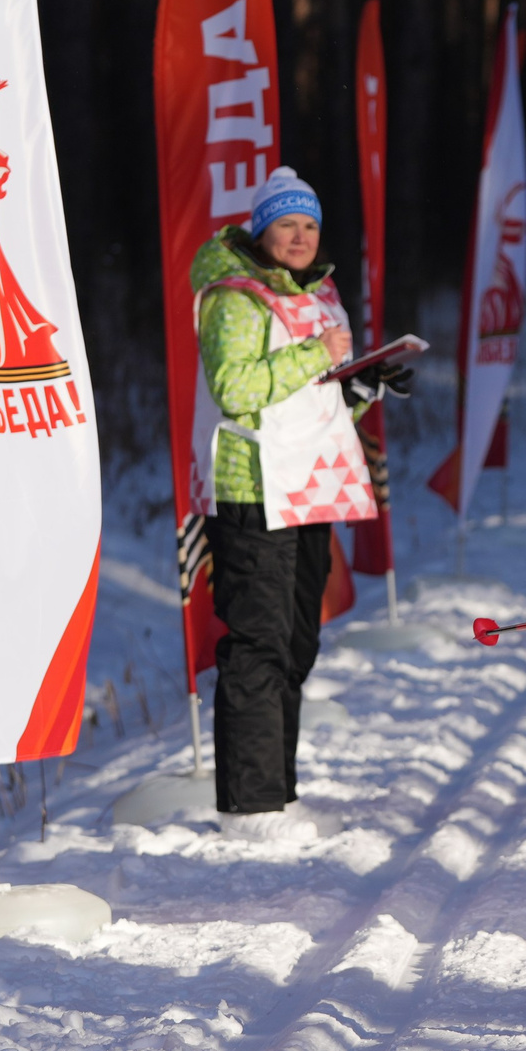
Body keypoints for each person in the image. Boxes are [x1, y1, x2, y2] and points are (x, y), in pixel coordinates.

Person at [192, 167, 410, 842]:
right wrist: (317, 353)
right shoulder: (234, 298)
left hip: (310, 489)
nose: (299, 237)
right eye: (285, 224)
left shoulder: (322, 295)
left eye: (309, 225)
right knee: (257, 644)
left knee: (295, 643)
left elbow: (313, 398)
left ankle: (277, 797)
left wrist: (362, 386)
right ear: (261, 230)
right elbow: (235, 388)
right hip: (253, 489)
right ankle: (250, 809)